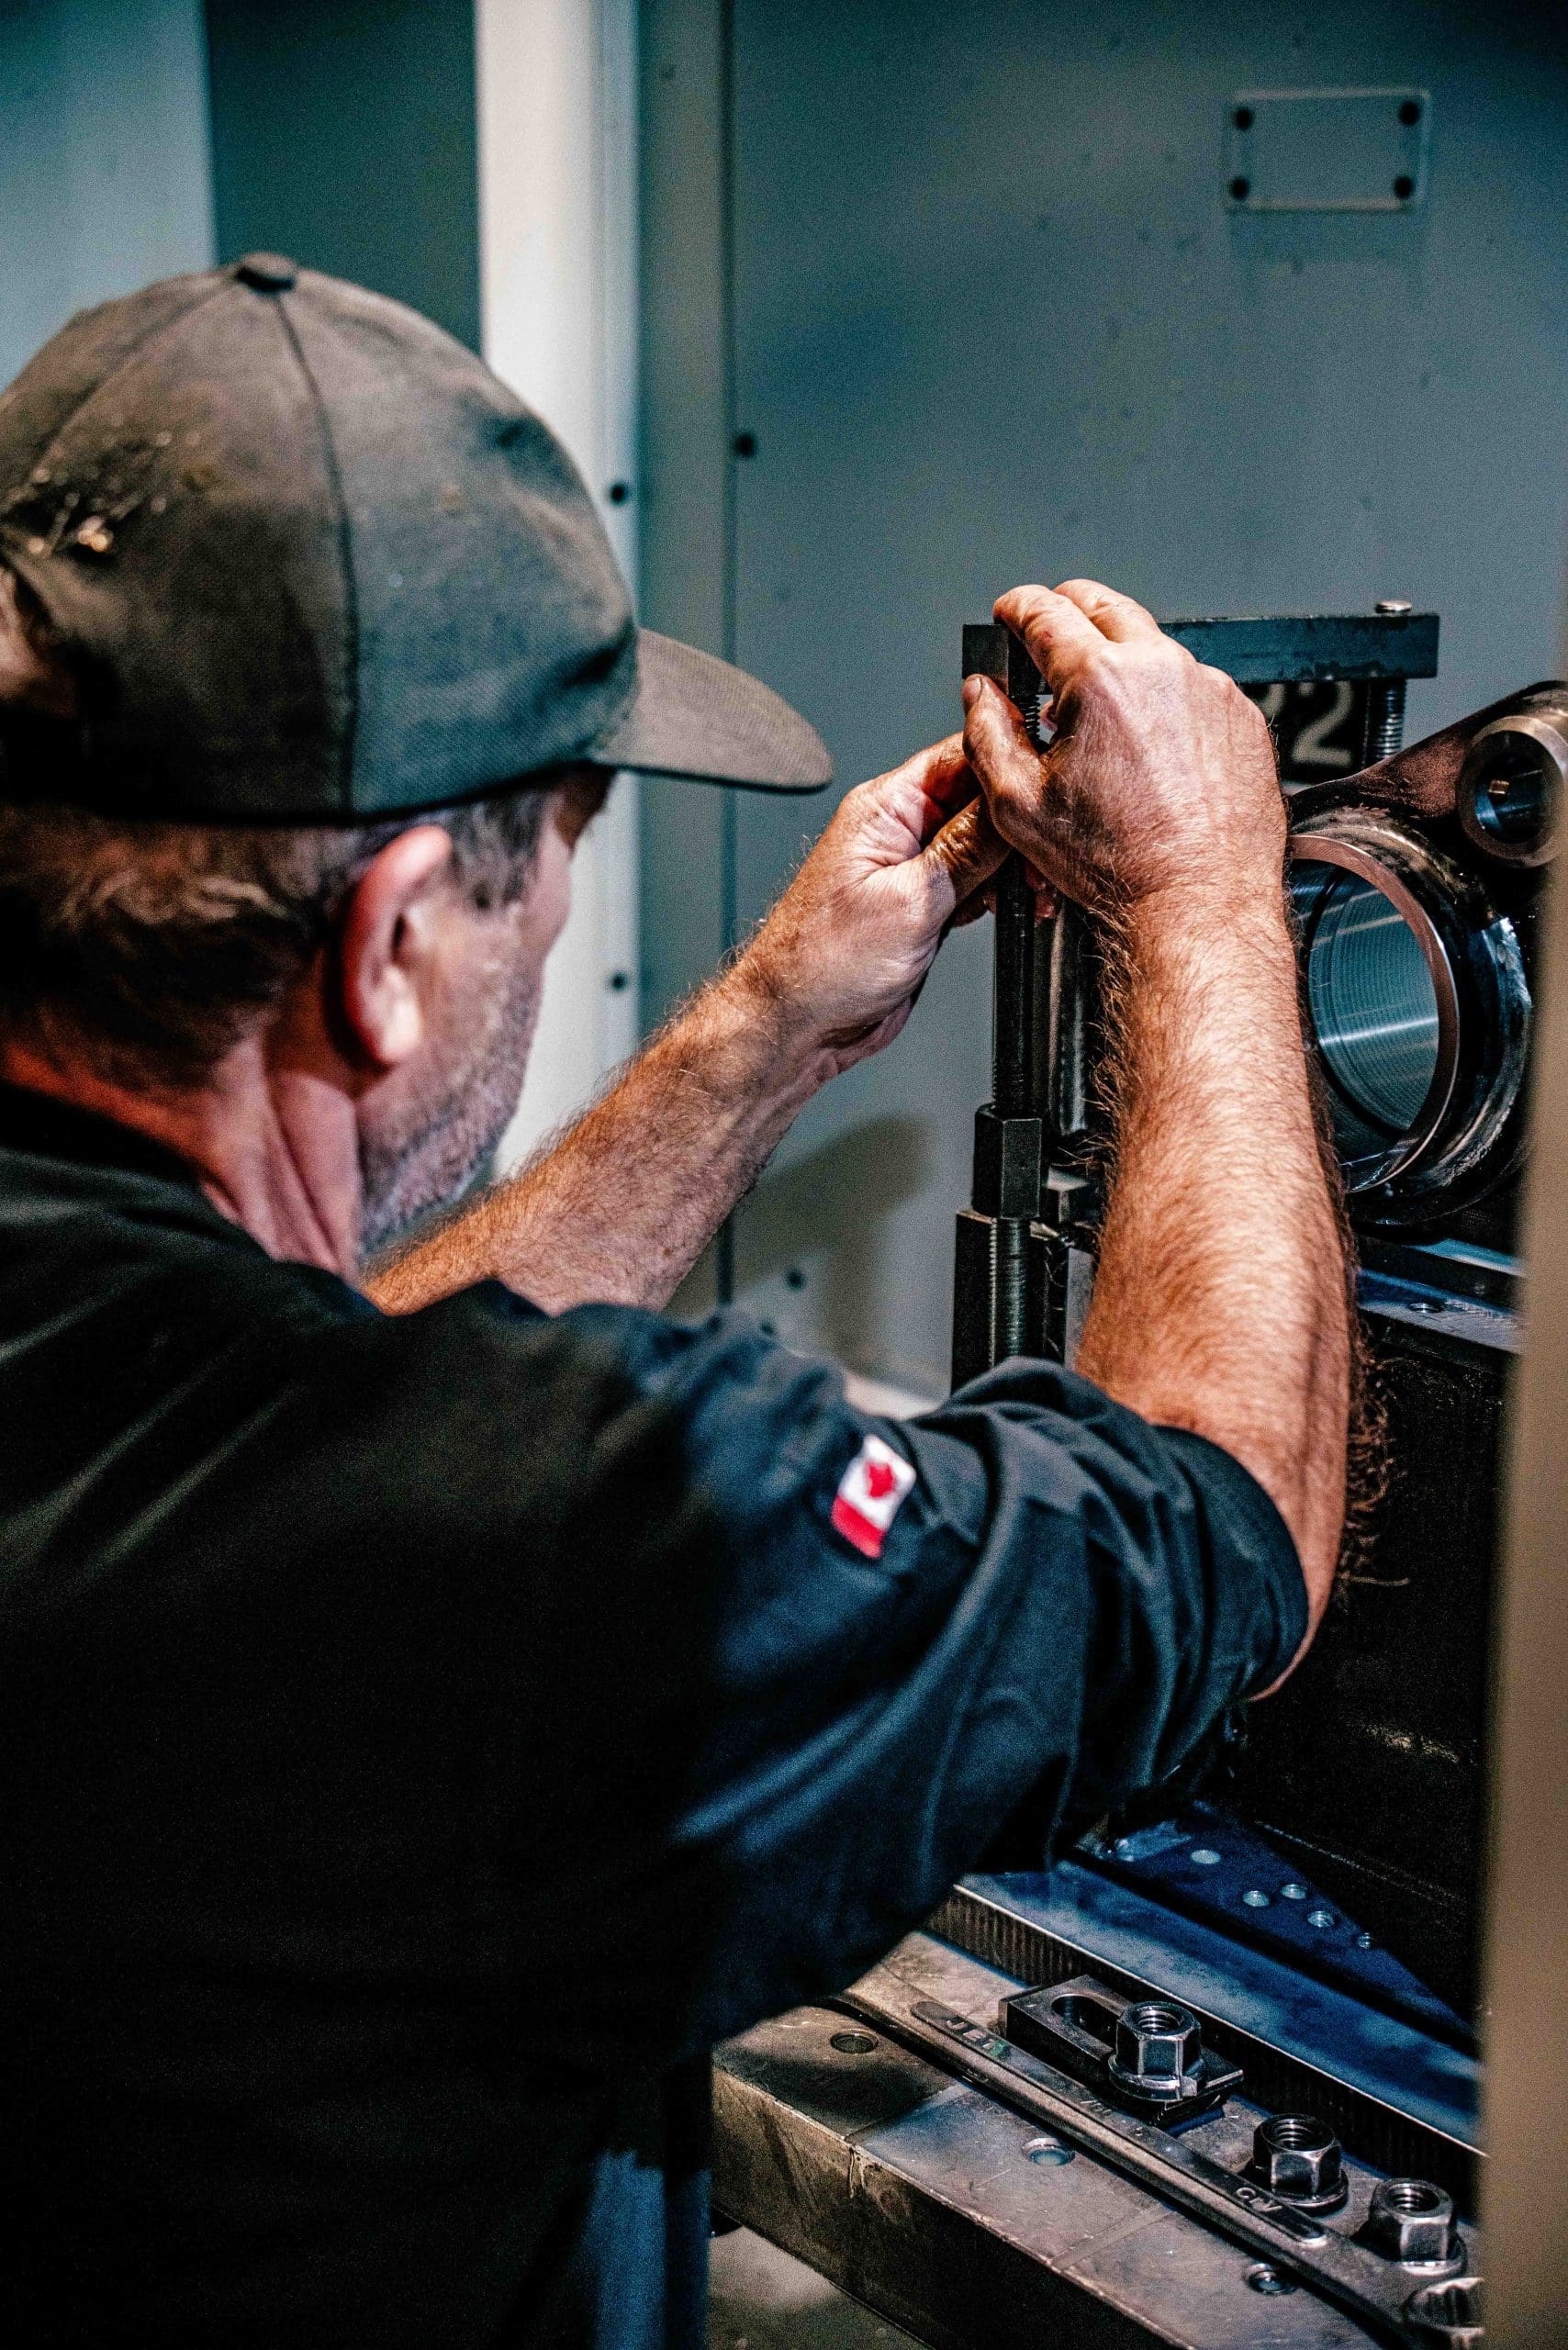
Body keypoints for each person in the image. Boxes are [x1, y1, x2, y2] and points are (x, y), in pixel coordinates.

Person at [0, 259, 1349, 2349]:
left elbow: (298, 1413)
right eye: (546, 861)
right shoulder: (534, 1550)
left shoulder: (147, 1392)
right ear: (383, 950)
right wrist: (1199, 895)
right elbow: (1222, 1515)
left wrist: (756, 1037)